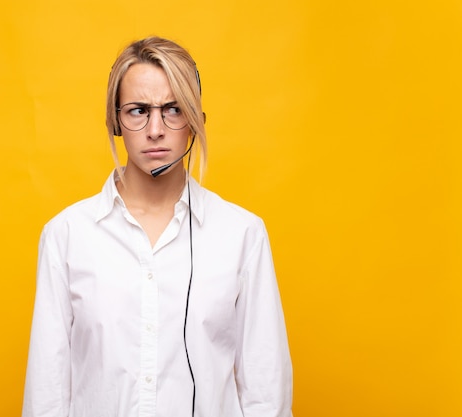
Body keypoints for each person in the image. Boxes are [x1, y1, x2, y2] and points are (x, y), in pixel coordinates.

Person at [22, 36, 293, 417]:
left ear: (195, 122)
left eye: (173, 109)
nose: (155, 129)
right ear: (116, 120)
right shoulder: (67, 236)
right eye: (137, 111)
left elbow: (266, 390)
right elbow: (47, 394)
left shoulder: (242, 235)